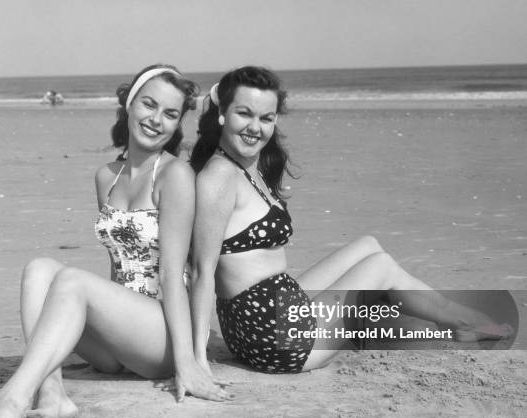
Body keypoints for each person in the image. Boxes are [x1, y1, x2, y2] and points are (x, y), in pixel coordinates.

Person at [0, 64, 230, 418]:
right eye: (148, 105)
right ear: (129, 104)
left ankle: (13, 397)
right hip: (120, 341)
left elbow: (172, 275)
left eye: (170, 114)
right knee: (39, 269)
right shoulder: (108, 176)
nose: (156, 120)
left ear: (177, 124)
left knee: (71, 280)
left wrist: (187, 361)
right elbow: (116, 267)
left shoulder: (175, 176)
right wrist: (106, 322)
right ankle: (53, 395)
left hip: (163, 337)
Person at [189, 66, 513, 375]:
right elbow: (203, 270)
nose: (255, 127)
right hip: (277, 340)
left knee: (367, 247)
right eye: (244, 113)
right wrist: (196, 360)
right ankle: (462, 321)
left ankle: (425, 316)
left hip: (272, 312)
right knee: (381, 266)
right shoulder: (219, 176)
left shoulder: (245, 167)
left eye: (266, 118)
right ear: (222, 114)